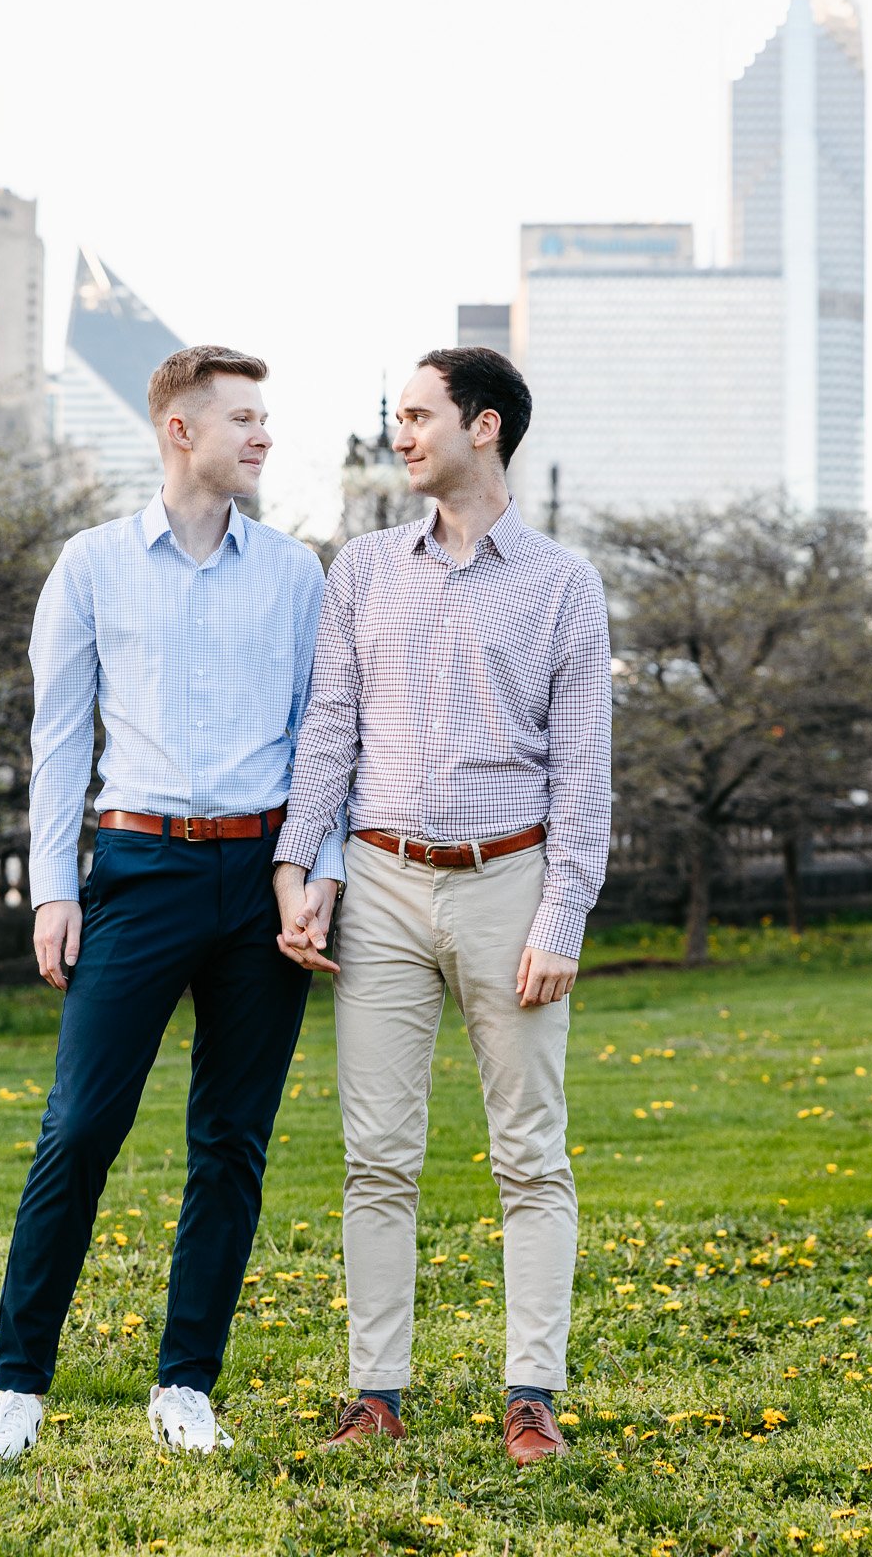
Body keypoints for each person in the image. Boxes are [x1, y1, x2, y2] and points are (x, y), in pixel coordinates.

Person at [0, 345, 341, 1462]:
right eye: (244, 418)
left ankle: (186, 1383)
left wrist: (314, 870)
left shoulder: (296, 573)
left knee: (232, 1141)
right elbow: (58, 740)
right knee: (78, 1126)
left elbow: (326, 738)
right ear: (181, 429)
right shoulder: (89, 566)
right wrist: (52, 888)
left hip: (263, 878)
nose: (262, 435)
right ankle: (18, 1386)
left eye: (267, 418)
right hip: (137, 871)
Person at [272, 346, 611, 1466]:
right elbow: (329, 729)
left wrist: (561, 916)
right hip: (377, 883)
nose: (402, 432)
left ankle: (531, 1394)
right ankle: (376, 1391)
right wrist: (300, 865)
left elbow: (585, 775)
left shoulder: (564, 584)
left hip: (510, 883)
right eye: (399, 416)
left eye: (420, 415)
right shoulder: (361, 569)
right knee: (377, 1155)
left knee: (530, 1153)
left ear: (487, 426)